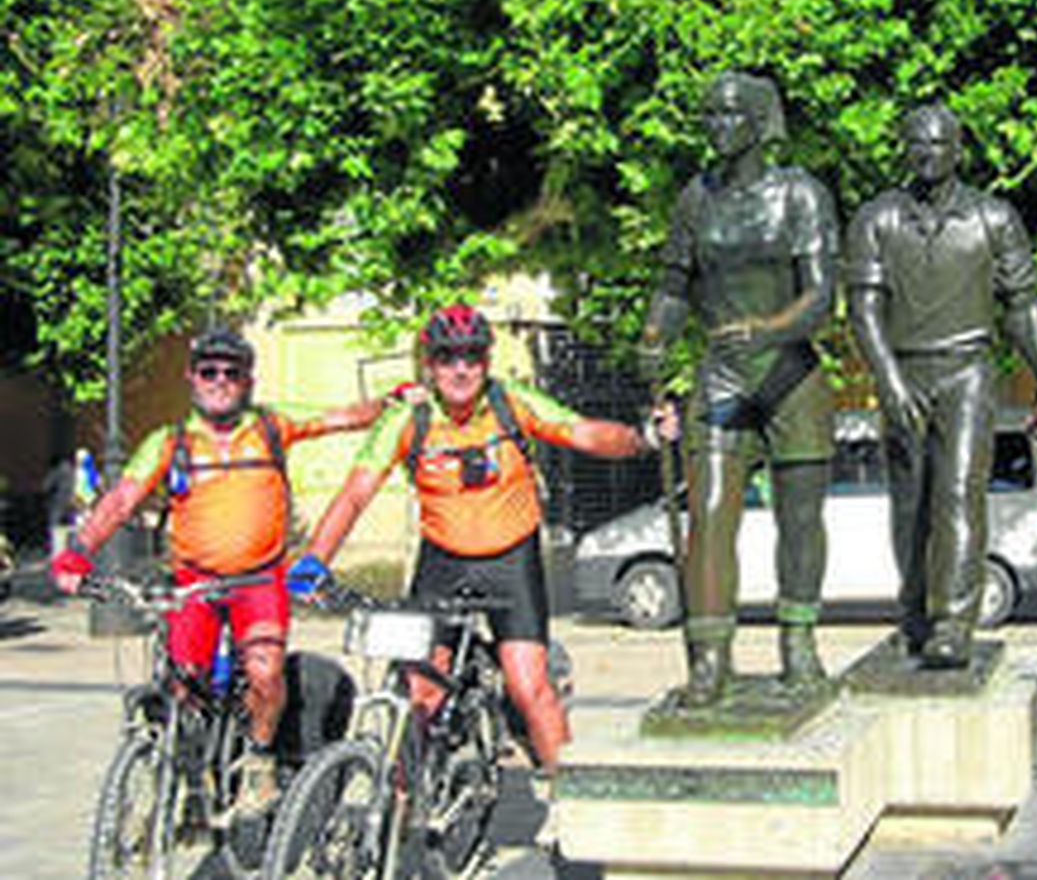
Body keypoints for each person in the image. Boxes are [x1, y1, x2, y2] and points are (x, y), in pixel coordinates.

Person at [291, 304, 668, 770]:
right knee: (421, 694)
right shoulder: (407, 419)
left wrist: (645, 438)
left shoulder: (511, 402)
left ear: (486, 362)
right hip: (443, 563)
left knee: (529, 688)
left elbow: (584, 434)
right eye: (447, 358)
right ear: (429, 365)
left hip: (511, 563)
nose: (460, 369)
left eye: (472, 357)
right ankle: (400, 805)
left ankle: (566, 793)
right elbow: (354, 495)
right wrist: (314, 561)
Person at [49, 328, 405, 813]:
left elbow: (337, 418)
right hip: (194, 582)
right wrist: (79, 553)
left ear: (248, 381)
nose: (220, 380)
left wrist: (390, 402)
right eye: (209, 371)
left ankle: (258, 762)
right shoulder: (169, 442)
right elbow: (121, 500)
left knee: (264, 672)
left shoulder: (271, 426)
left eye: (232, 372)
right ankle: (186, 778)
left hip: (259, 582)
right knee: (182, 685)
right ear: (192, 377)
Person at [640, 70, 838, 707]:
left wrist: (769, 330)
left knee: (799, 519)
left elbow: (822, 296)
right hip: (723, 375)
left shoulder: (801, 195)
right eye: (710, 115)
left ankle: (798, 642)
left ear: (758, 123)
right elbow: (674, 287)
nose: (717, 126)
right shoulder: (695, 198)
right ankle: (711, 659)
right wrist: (655, 334)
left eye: (729, 114)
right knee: (708, 514)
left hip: (790, 376)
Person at [846, 103, 1037, 669]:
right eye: (916, 142)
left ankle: (953, 622)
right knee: (911, 505)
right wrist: (889, 379)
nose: (927, 153)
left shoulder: (993, 217)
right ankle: (914, 612)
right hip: (904, 372)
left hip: (968, 370)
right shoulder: (876, 219)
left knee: (958, 493)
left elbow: (1022, 302)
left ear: (958, 150)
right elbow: (864, 309)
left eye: (938, 143)